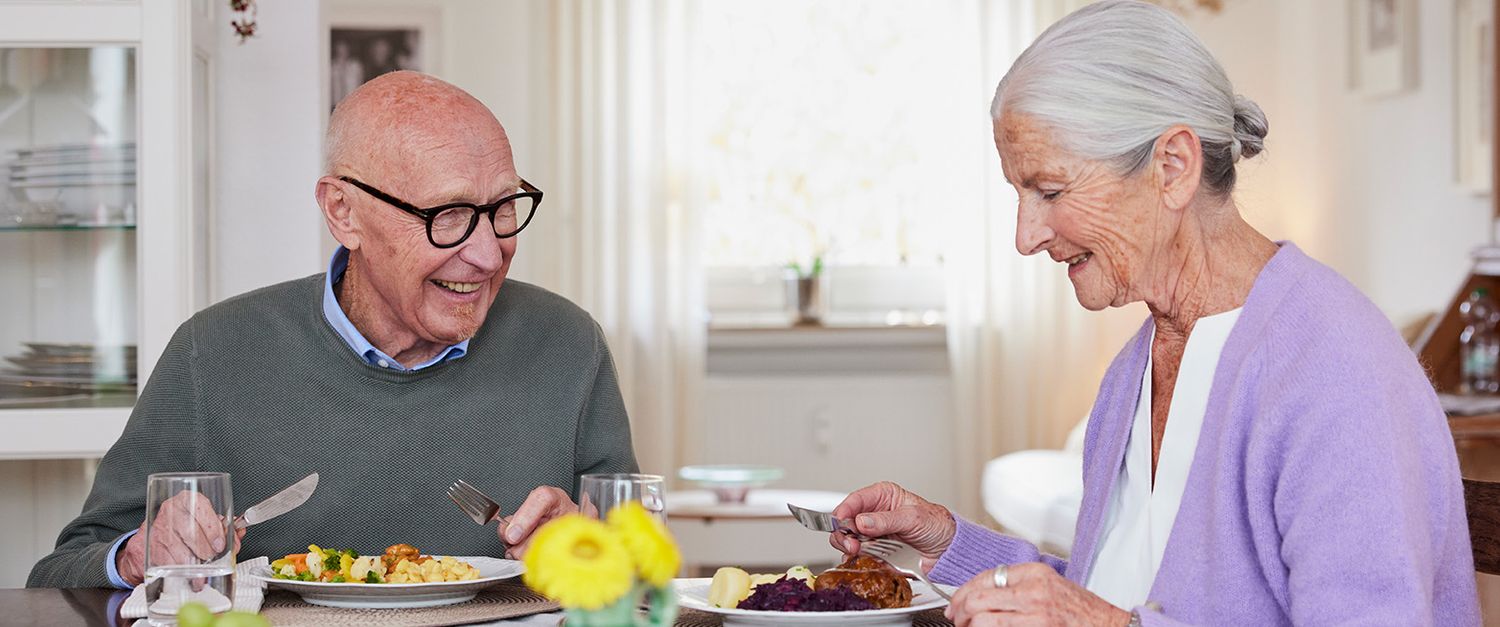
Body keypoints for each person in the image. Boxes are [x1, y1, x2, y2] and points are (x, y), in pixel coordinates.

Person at [831, 2, 1478, 625]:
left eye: (1049, 190)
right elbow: (1117, 595)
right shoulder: (1135, 369)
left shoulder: (1334, 370)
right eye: (1020, 193)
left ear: (1172, 167)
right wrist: (947, 540)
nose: (1026, 236)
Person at [28, 71, 638, 589]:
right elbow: (59, 575)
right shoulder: (213, 352)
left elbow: (645, 577)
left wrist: (593, 556)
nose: (487, 252)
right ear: (343, 212)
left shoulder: (569, 344)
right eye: (447, 216)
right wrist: (137, 557)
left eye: (503, 209)